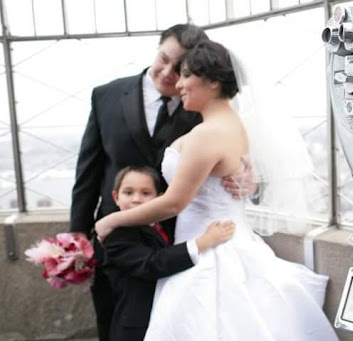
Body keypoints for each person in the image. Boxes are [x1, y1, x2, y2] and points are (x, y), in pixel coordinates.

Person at [95, 40, 338, 340]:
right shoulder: (235, 123)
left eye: (186, 75)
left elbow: (173, 203)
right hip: (226, 239)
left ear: (211, 81)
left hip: (210, 251)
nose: (179, 83)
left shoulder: (207, 134)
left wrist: (111, 220)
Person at [69, 24, 255, 341]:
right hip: (118, 240)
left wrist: (249, 179)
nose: (170, 74)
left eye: (181, 68)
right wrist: (77, 233)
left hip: (176, 244)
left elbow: (225, 162)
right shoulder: (107, 95)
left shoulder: (204, 109)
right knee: (114, 323)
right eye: (163, 59)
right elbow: (88, 168)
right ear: (156, 49)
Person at [103, 165, 235, 341]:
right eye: (128, 193)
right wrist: (203, 242)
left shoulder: (163, 225)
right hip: (138, 326)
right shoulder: (118, 236)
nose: (136, 199)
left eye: (145, 193)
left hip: (165, 317)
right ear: (115, 197)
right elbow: (151, 264)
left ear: (159, 198)